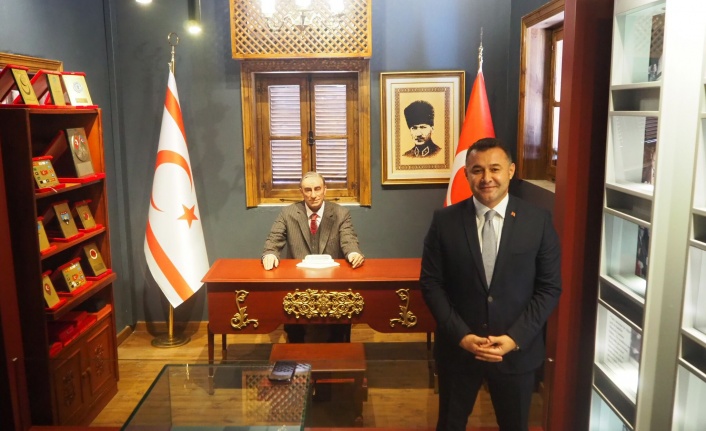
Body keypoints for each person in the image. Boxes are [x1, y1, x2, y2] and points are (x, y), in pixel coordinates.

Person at [420, 138, 562, 431]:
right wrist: (462, 336)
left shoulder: (537, 221)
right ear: (466, 174)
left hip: (516, 353)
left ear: (511, 171)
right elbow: (432, 284)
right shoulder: (444, 221)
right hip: (459, 352)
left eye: (495, 169)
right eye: (477, 170)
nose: (486, 178)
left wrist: (514, 338)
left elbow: (549, 288)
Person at [262, 171, 365, 343]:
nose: (313, 195)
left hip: (332, 283)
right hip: (299, 283)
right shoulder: (288, 213)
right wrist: (270, 253)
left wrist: (354, 253)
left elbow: (349, 239)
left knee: (337, 332)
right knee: (296, 334)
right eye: (308, 190)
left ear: (325, 189)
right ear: (301, 192)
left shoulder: (341, 213)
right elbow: (273, 239)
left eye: (317, 189)